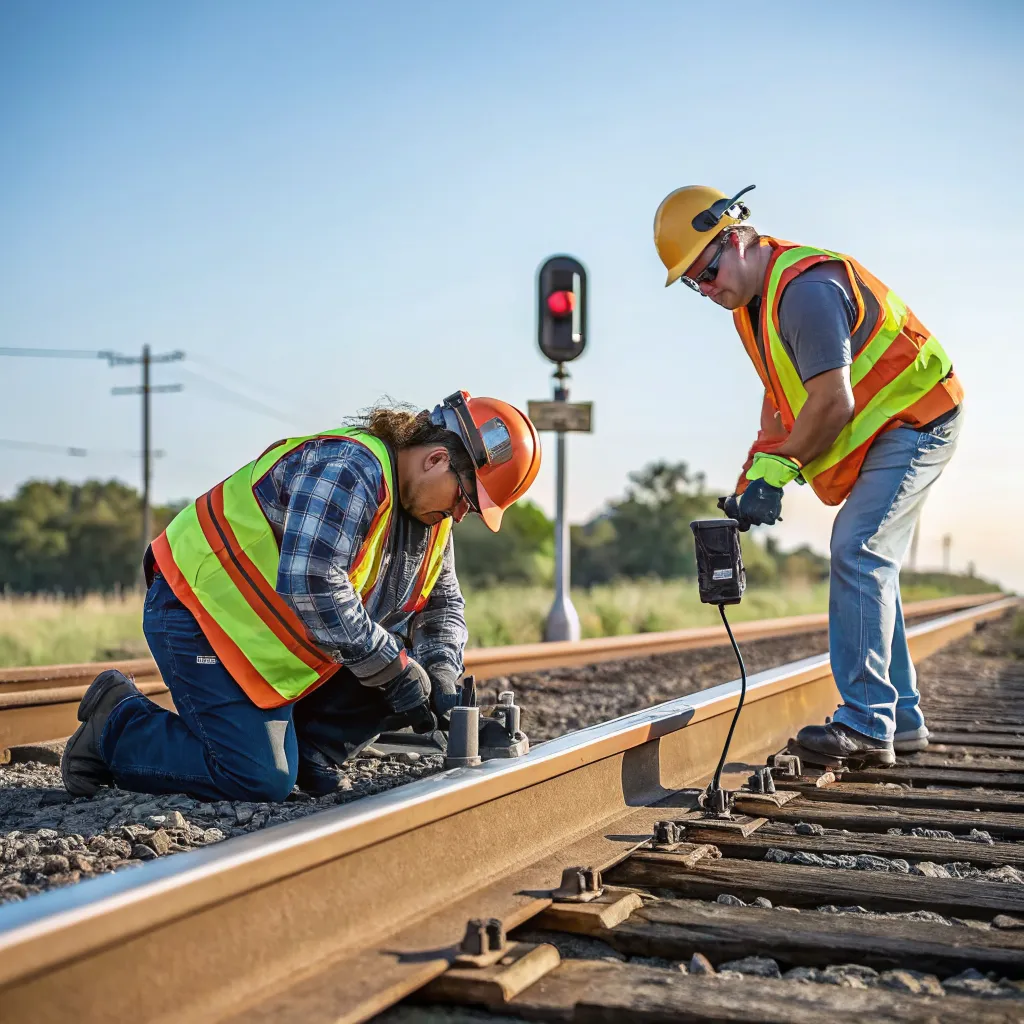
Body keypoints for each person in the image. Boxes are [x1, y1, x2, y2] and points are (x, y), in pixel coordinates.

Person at [61, 392, 541, 800]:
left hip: (261, 633)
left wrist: (440, 670)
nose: (460, 515)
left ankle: (313, 749)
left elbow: (443, 606)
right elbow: (312, 581)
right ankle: (118, 722)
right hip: (197, 610)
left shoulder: (430, 519)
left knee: (413, 664)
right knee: (256, 778)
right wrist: (393, 668)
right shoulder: (352, 470)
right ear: (437, 459)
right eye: (465, 499)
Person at [653, 185, 963, 767]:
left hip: (919, 416)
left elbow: (833, 403)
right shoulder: (753, 305)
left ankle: (868, 724)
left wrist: (783, 470)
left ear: (737, 236)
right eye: (695, 283)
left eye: (709, 270)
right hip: (884, 426)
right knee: (870, 557)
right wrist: (753, 479)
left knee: (859, 547)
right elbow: (781, 402)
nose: (708, 287)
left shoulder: (805, 291)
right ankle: (901, 718)